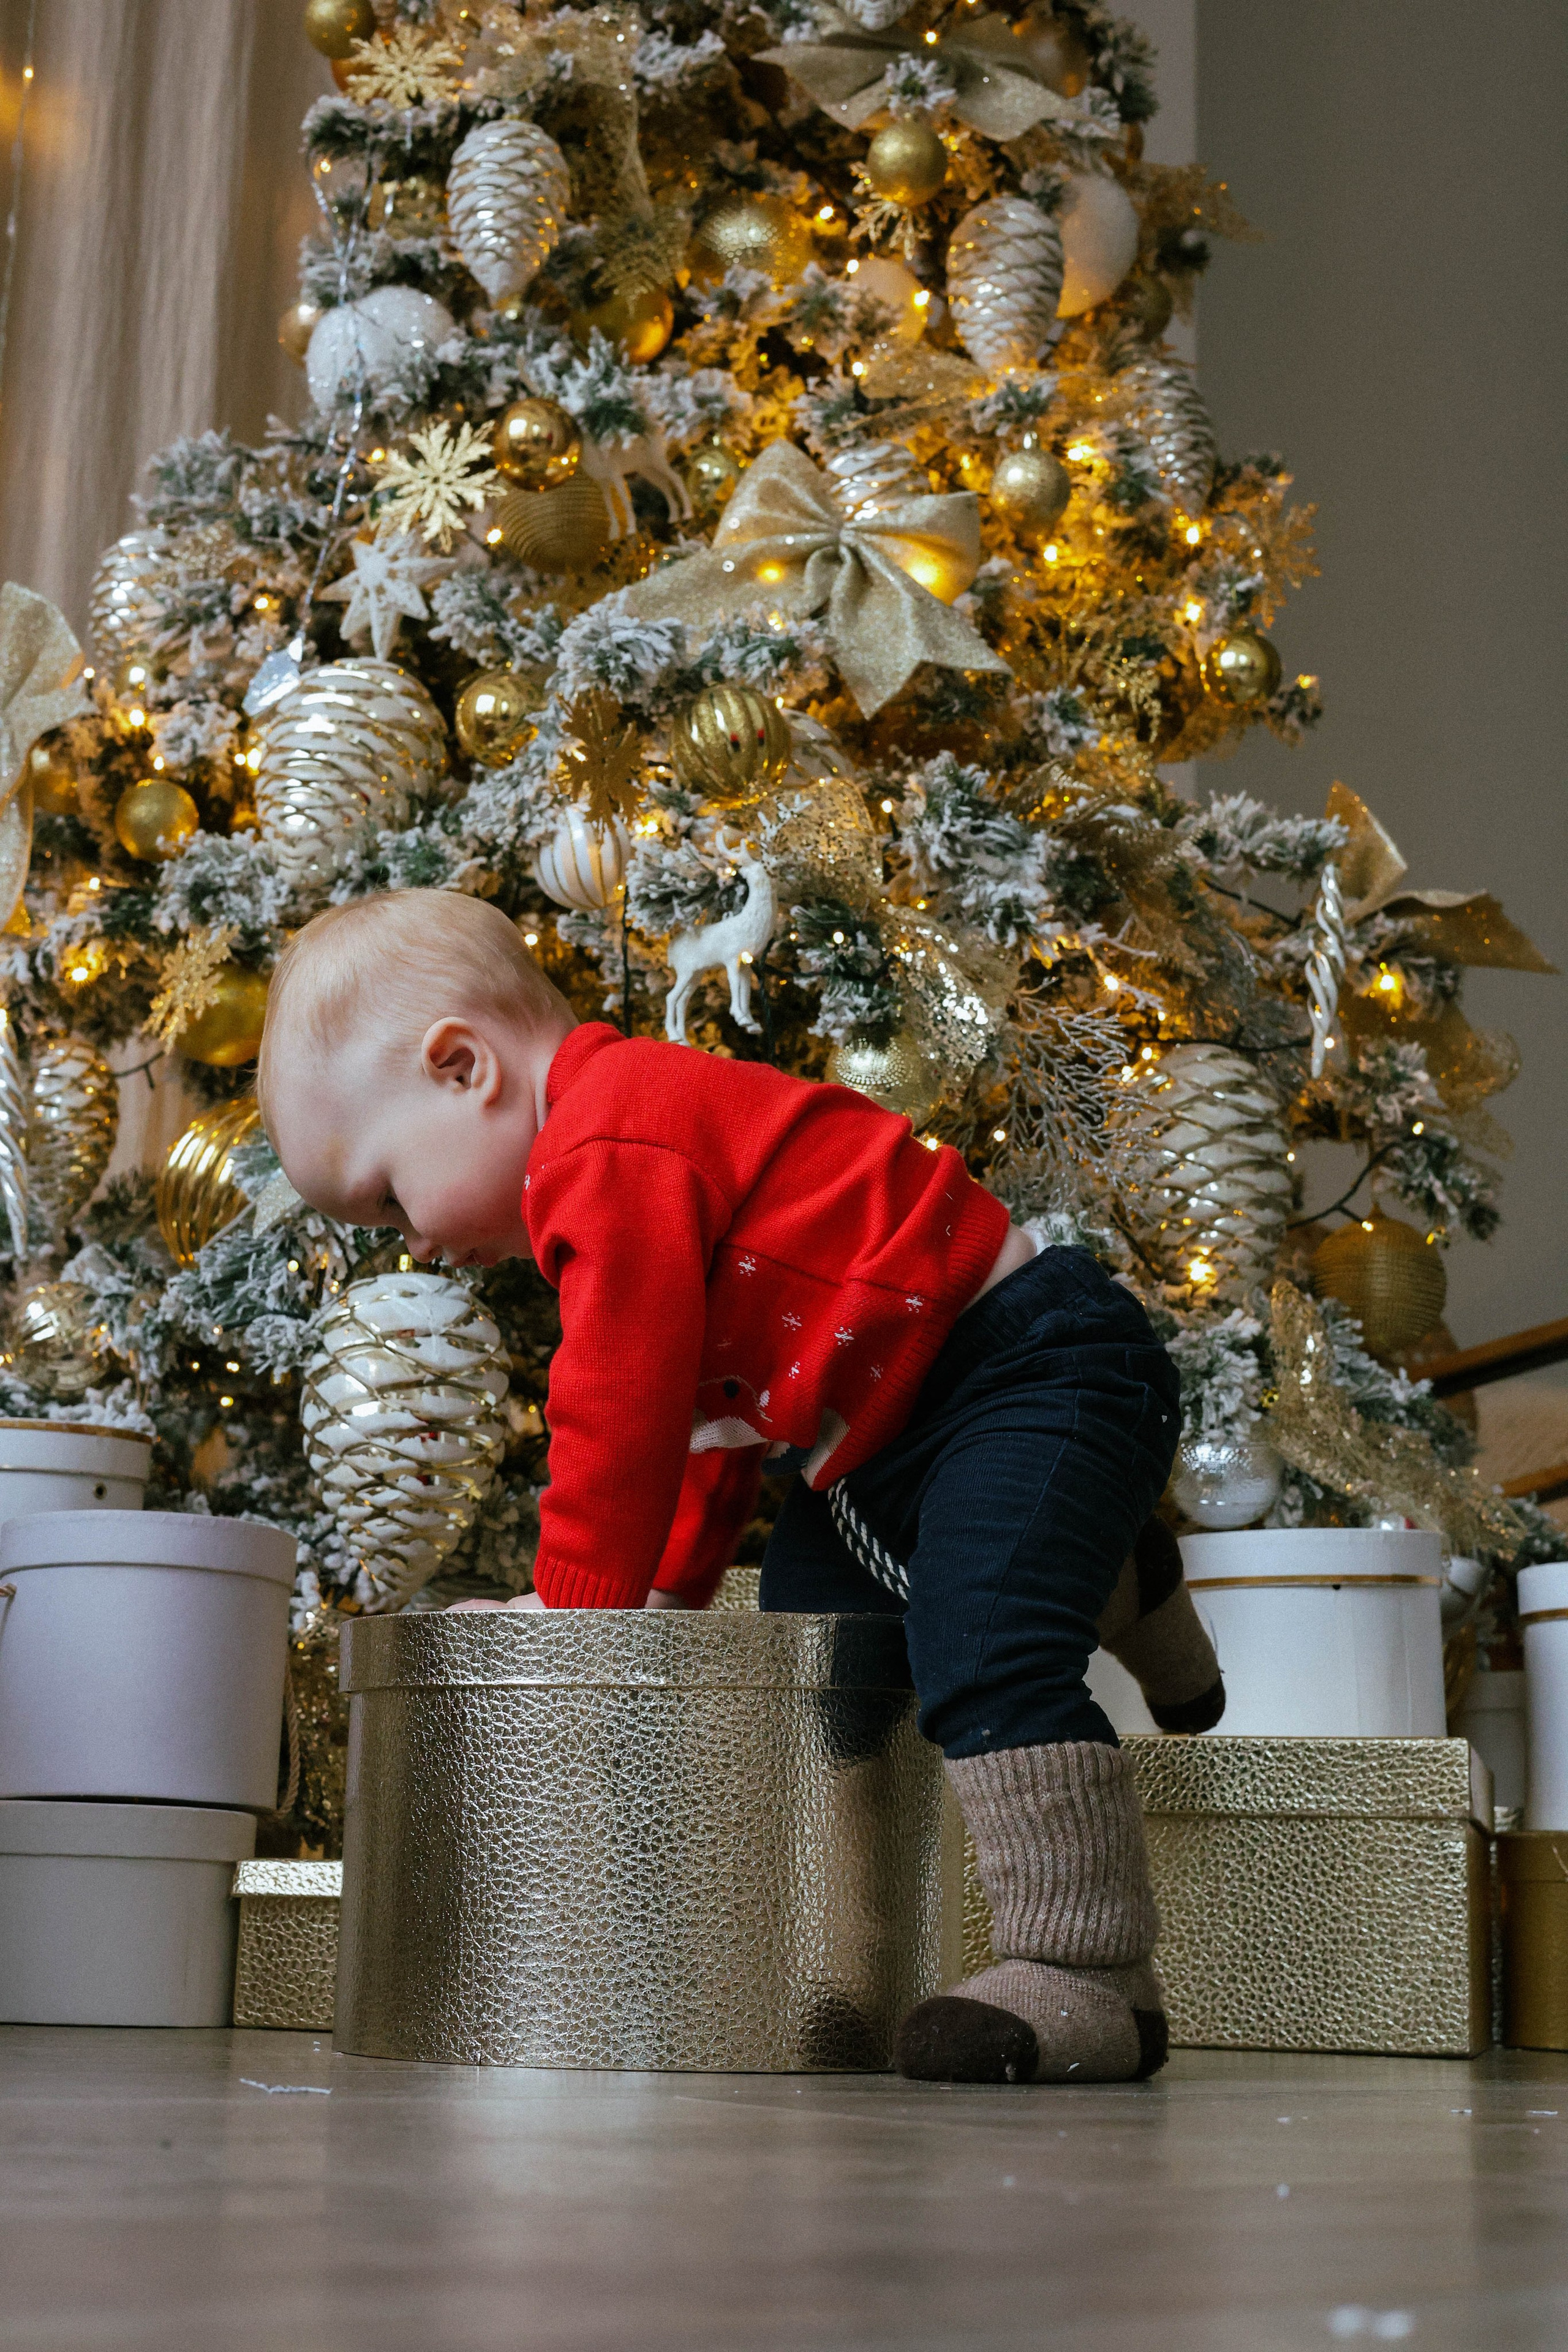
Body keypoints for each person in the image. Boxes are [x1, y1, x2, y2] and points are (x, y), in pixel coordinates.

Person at [258, 886, 1222, 2087]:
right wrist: (665, 1593)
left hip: (1020, 1367)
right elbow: (707, 1426)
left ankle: (1089, 1975)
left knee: (984, 1644)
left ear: (463, 1069)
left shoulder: (607, 1140)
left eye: (388, 1196)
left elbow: (618, 1400)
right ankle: (1118, 1581)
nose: (409, 1244)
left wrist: (576, 1609)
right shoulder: (614, 1153)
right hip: (881, 1449)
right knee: (825, 1655)